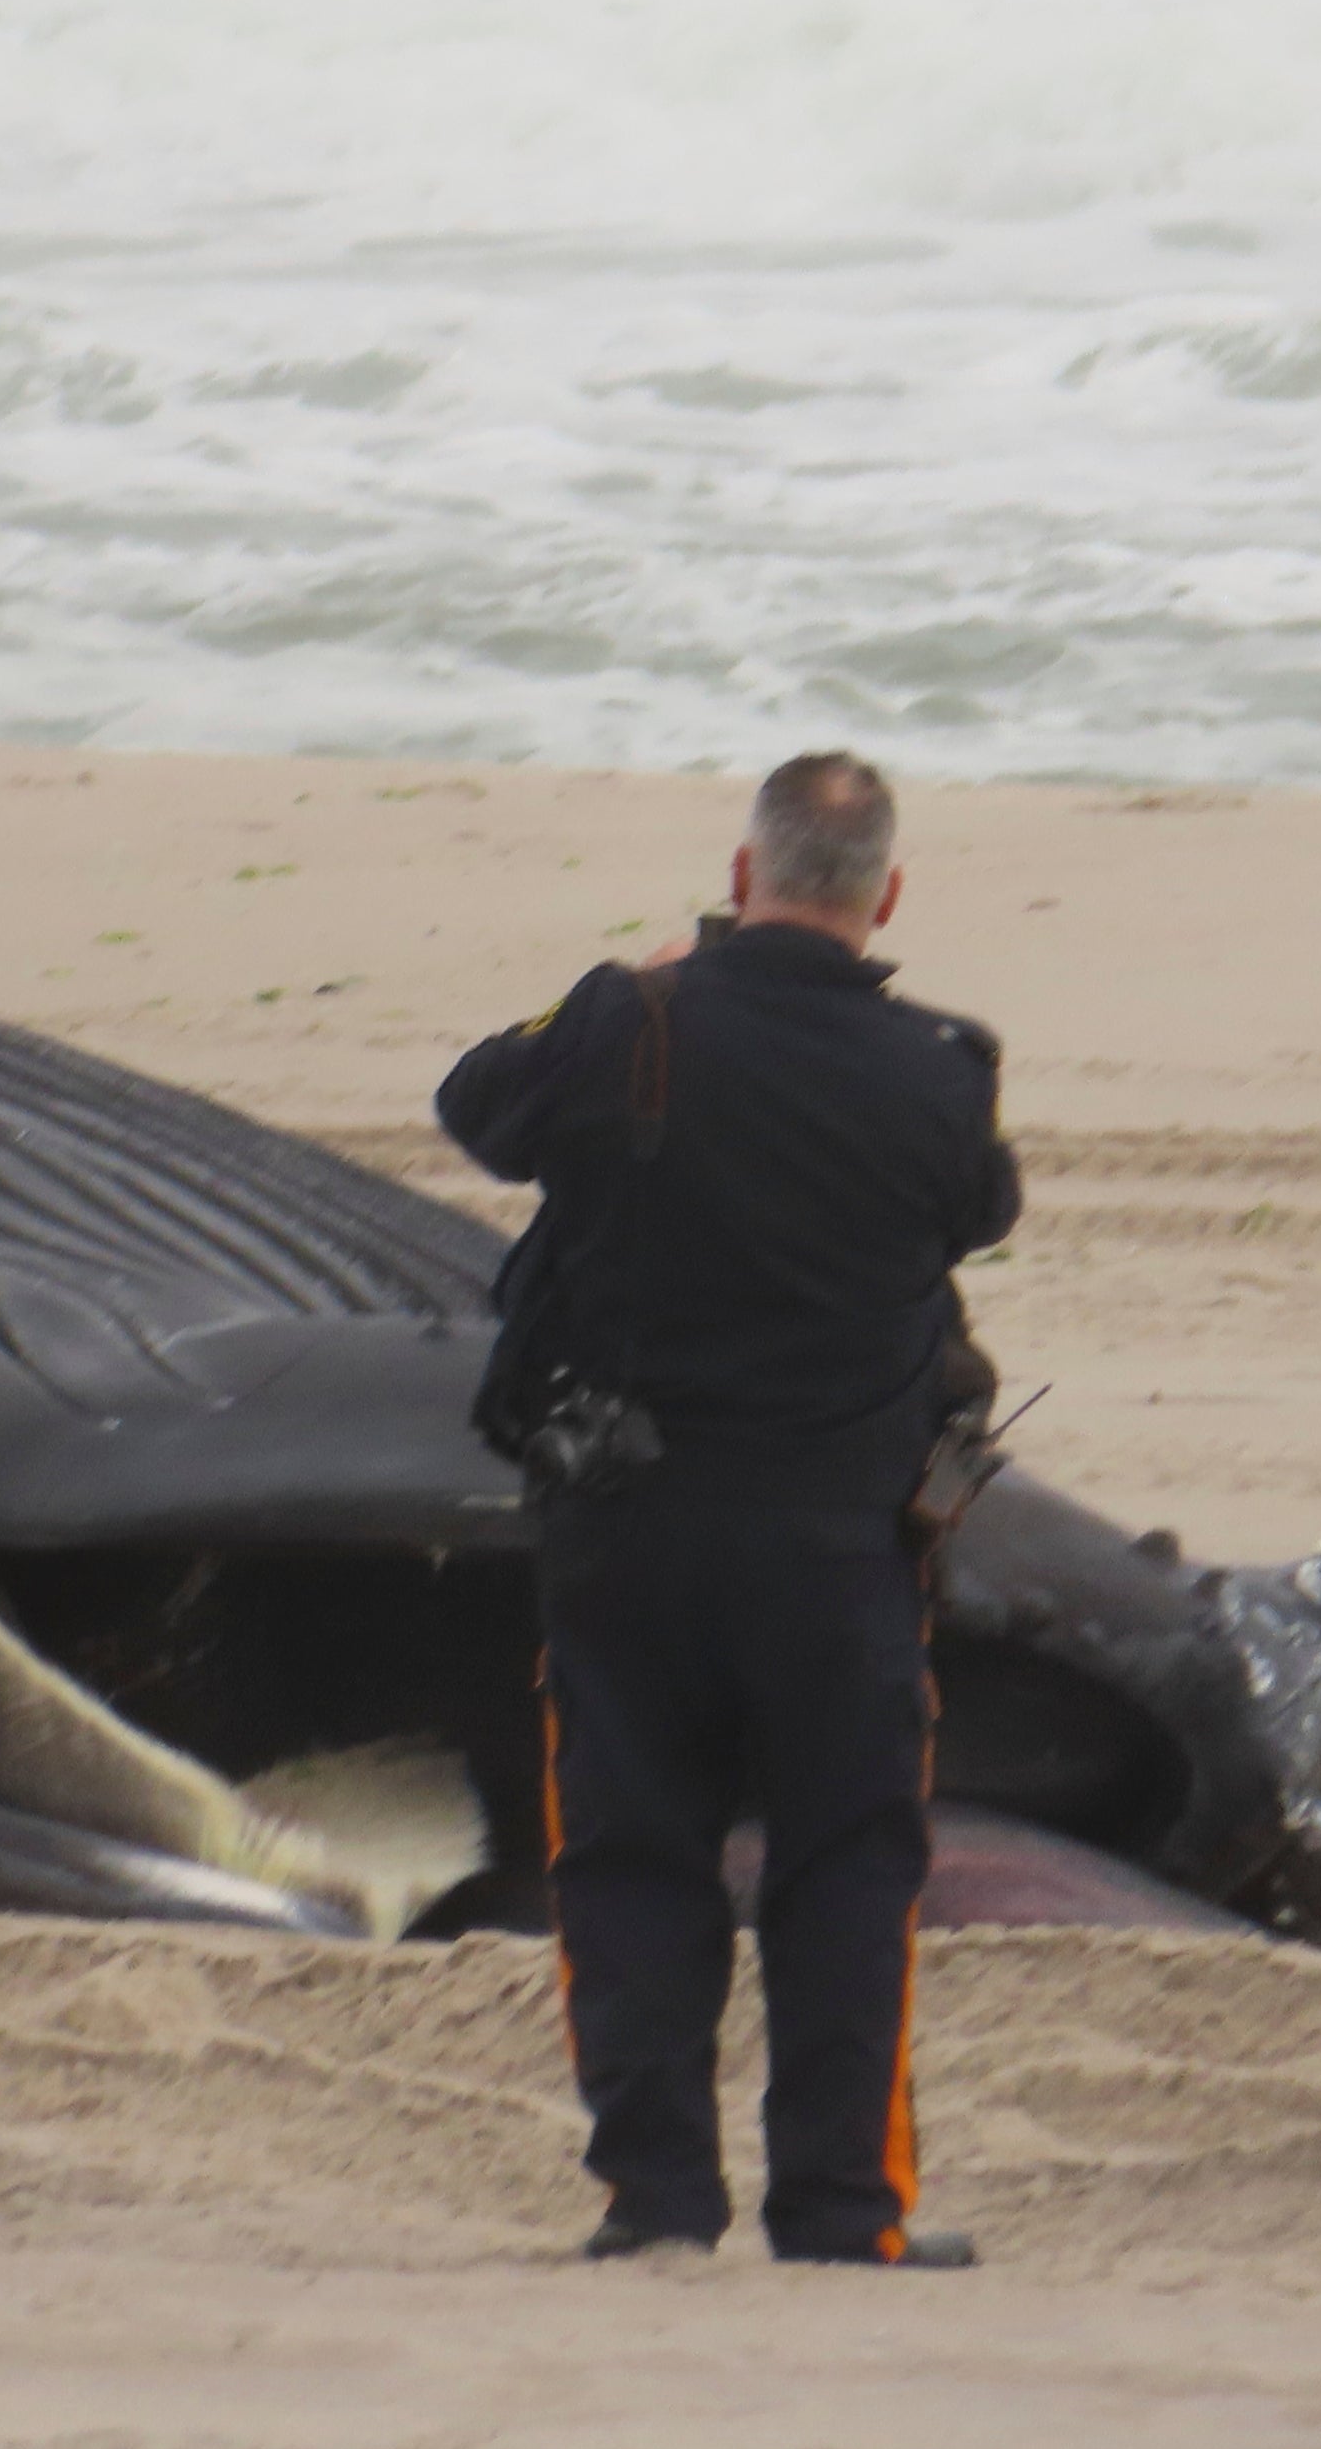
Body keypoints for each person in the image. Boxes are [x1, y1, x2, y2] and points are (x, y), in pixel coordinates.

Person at [435, 750, 1019, 2272]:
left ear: (742, 876)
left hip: (630, 1532)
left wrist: (625, 985)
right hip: (844, 1548)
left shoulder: (633, 1026)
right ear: (884, 896)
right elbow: (983, 1209)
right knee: (849, 1869)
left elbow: (474, 1103)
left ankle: (657, 2207)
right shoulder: (943, 1071)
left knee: (630, 1858)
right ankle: (841, 2214)